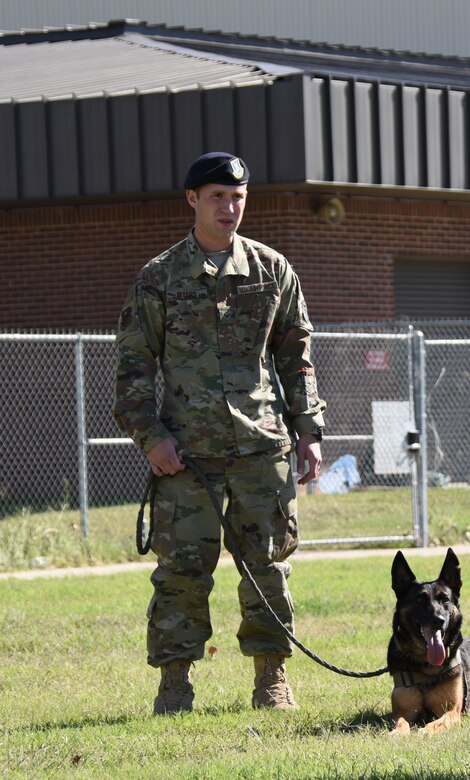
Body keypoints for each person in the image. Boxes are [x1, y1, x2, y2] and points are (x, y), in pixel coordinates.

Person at [114, 151, 326, 715]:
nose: (229, 207)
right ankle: (175, 687)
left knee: (269, 568)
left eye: (237, 197)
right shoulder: (158, 278)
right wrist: (151, 437)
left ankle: (271, 680)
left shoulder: (273, 271)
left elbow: (296, 357)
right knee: (181, 574)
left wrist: (309, 431)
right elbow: (133, 370)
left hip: (261, 449)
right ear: (192, 201)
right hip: (187, 456)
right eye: (216, 197)